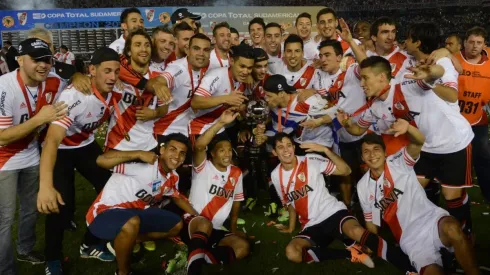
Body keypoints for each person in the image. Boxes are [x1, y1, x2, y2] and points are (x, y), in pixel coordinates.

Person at [338, 56, 475, 239]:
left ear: (381, 77)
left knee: (451, 196)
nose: (361, 83)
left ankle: (465, 232)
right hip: (424, 147)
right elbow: (357, 129)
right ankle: (427, 232)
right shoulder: (376, 106)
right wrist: (347, 123)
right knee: (410, 190)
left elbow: (436, 74)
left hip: (452, 141)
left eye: (365, 78)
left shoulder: (408, 85)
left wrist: (430, 73)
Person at [263, 133, 415, 273]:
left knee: (357, 232)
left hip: (332, 213)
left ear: (294, 147)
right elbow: (290, 202)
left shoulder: (311, 160)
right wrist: (291, 227)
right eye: (280, 147)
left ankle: (407, 267)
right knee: (293, 252)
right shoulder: (275, 175)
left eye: (289, 145)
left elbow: (346, 170)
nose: (286, 150)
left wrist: (325, 150)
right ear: (275, 152)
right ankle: (350, 253)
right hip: (311, 224)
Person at [38, 47, 120, 274]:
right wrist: (45, 186)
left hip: (85, 146)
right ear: (92, 70)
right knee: (59, 202)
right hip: (62, 149)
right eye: (107, 71)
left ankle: (90, 243)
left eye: (116, 71)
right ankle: (52, 258)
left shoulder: (117, 88)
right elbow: (52, 141)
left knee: (111, 189)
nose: (112, 77)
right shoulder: (73, 96)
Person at [357, 121, 479, 275]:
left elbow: (418, 142)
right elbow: (371, 221)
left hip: (430, 218)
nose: (372, 155)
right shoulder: (363, 187)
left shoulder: (397, 162)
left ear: (385, 152)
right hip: (409, 238)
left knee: (453, 228)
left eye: (376, 149)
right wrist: (373, 245)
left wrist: (408, 128)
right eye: (366, 151)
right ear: (362, 157)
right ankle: (447, 260)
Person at [0, 38, 67, 275]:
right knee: (5, 220)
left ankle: (25, 249)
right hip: (4, 160)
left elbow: (75, 81)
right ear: (19, 60)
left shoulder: (53, 82)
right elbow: (2, 137)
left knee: (30, 209)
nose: (43, 65)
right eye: (36, 59)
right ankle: (6, 269)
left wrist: (78, 77)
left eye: (47, 60)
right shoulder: (4, 87)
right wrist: (40, 119)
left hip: (31, 155)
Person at [89, 133, 192, 275]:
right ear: (162, 150)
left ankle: (128, 241)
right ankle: (123, 272)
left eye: (182, 153)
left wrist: (198, 216)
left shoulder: (173, 177)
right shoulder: (144, 163)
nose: (177, 156)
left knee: (176, 226)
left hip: (136, 215)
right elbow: (101, 160)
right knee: (132, 222)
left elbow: (177, 197)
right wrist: (138, 153)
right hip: (103, 213)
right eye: (172, 149)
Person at [302, 39, 367, 207]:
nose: (323, 59)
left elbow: (367, 64)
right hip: (338, 135)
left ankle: (366, 203)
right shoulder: (318, 77)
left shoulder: (352, 72)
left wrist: (350, 41)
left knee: (365, 171)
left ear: (339, 57)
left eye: (327, 55)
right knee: (344, 173)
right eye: (321, 55)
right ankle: (347, 206)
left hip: (361, 132)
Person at [186, 108, 250, 274]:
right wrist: (220, 123)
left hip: (217, 228)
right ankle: (194, 270)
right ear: (212, 154)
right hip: (194, 222)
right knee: (204, 223)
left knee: (242, 247)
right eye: (222, 150)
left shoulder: (236, 172)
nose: (227, 154)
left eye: (229, 150)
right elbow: (199, 146)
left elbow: (237, 200)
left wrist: (233, 228)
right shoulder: (203, 167)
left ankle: (200, 254)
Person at [105, 29, 168, 153]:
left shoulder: (160, 77)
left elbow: (164, 108)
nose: (144, 49)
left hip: (147, 145)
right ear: (128, 51)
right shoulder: (116, 74)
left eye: (147, 45)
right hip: (118, 144)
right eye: (137, 45)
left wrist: (154, 113)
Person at [455, 26, 490, 203]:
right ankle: (455, 193)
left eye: (479, 43)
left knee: (483, 157)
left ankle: (488, 193)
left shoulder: (489, 63)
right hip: (453, 121)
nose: (475, 46)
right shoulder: (453, 59)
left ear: (484, 44)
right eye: (471, 42)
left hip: (478, 119)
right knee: (455, 159)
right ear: (464, 43)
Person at [189, 43, 253, 139]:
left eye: (249, 68)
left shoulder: (242, 81)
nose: (245, 72)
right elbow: (195, 102)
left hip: (220, 127)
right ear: (231, 61)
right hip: (200, 128)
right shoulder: (216, 76)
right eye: (242, 66)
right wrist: (226, 99)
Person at [154, 33, 211, 138]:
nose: (201, 53)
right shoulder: (178, 68)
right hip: (167, 131)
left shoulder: (207, 67)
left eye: (206, 50)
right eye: (196, 48)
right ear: (188, 50)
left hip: (189, 130)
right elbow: (162, 80)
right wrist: (159, 84)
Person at [263, 74, 333, 149]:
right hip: (297, 142)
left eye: (269, 96)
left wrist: (319, 121)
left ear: (281, 94)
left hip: (318, 143)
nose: (267, 99)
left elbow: (335, 113)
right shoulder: (273, 105)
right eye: (266, 95)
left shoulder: (305, 101)